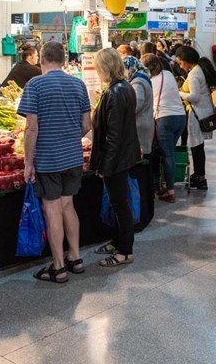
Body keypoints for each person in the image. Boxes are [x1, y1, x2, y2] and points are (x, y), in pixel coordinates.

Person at [18, 42, 91, 283]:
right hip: (73, 157)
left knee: (52, 210)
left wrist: (29, 162)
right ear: (64, 60)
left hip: (48, 159)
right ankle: (76, 258)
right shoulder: (78, 84)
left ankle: (58, 267)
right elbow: (86, 125)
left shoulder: (35, 85)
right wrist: (69, 139)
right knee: (68, 206)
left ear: (41, 60)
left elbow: (31, 128)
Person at [90, 48, 141, 267]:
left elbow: (113, 135)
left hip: (117, 158)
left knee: (120, 204)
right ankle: (118, 241)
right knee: (118, 203)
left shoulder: (115, 92)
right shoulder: (124, 87)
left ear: (104, 67)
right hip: (124, 155)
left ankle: (125, 251)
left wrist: (106, 166)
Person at [141, 54, 187, 203]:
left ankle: (170, 192)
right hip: (180, 118)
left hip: (164, 119)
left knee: (167, 155)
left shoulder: (148, 82)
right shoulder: (167, 74)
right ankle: (164, 186)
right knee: (169, 154)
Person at [177, 46, 216, 191]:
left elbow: (194, 97)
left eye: (181, 63)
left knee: (196, 147)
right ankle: (200, 176)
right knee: (198, 147)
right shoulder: (199, 69)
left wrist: (180, 93)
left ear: (186, 61)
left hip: (197, 113)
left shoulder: (194, 74)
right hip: (203, 112)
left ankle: (200, 178)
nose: (180, 66)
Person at [122, 56, 154, 161]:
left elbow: (136, 106)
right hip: (145, 122)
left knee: (141, 158)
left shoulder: (137, 82)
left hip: (140, 125)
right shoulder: (143, 78)